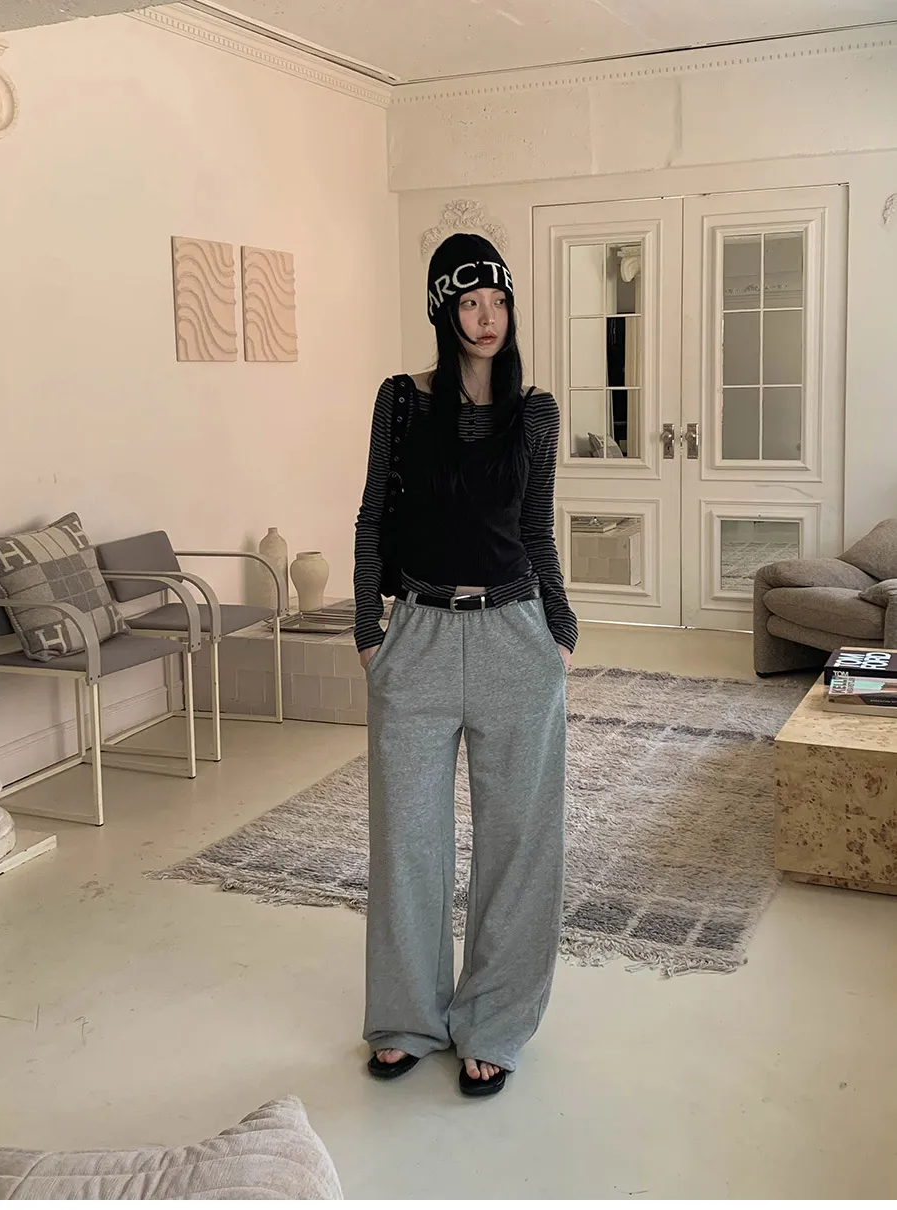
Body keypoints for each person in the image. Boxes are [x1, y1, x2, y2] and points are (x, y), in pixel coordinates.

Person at [353, 232, 576, 1099]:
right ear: (443, 310)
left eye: (499, 301)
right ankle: (406, 1017)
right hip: (416, 635)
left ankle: (494, 1023)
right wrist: (368, 632)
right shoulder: (403, 400)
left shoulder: (536, 412)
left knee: (519, 844)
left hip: (516, 635)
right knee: (406, 841)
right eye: (470, 302)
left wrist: (559, 631)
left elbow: (536, 526)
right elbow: (373, 516)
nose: (487, 318)